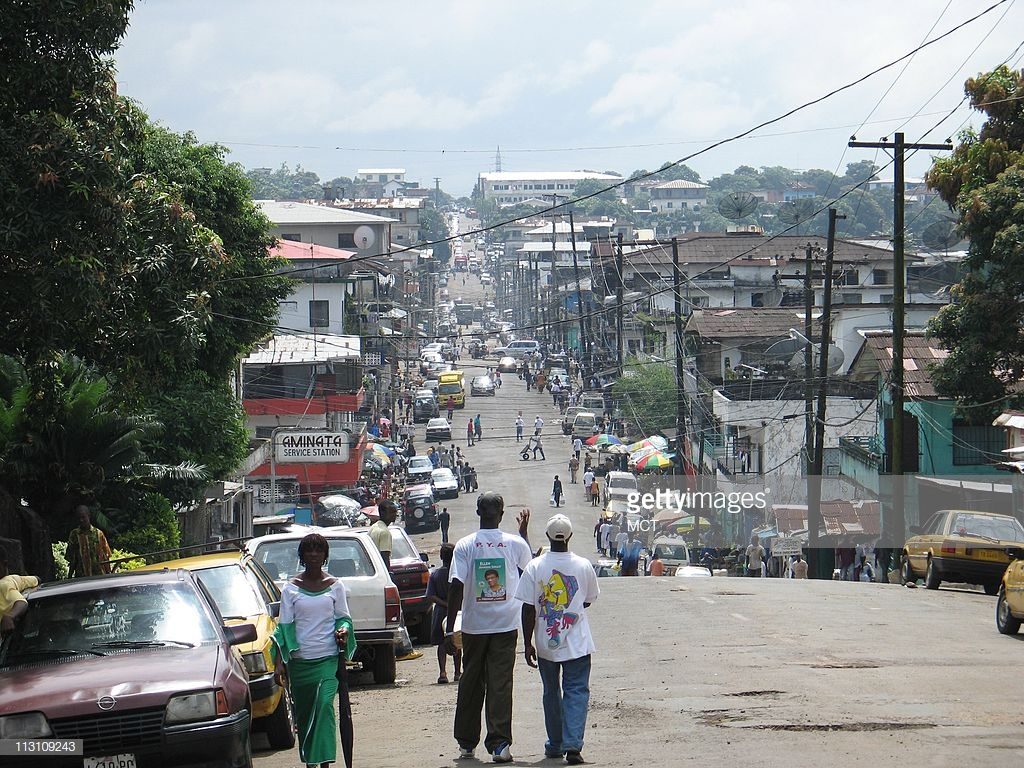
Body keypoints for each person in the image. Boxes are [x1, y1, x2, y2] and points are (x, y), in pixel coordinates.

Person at [445, 493, 532, 763]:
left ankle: (466, 742)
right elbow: (531, 577)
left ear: (477, 511)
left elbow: (456, 586)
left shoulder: (464, 545)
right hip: (506, 626)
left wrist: (449, 629)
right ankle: (499, 744)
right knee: (500, 683)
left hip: (473, 627)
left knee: (471, 682)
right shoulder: (516, 544)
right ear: (502, 513)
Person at [516, 514, 599, 766]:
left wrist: (527, 642)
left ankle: (555, 744)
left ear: (548, 536)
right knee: (576, 691)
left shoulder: (535, 566)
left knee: (551, 692)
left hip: (545, 644)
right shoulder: (583, 565)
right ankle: (573, 743)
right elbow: (588, 599)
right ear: (570, 536)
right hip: (578, 642)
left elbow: (528, 608)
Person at [272, 533, 356, 768]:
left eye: (319, 550)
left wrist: (343, 631)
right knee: (306, 716)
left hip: (327, 660)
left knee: (324, 706)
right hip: (300, 663)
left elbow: (344, 619)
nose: (314, 554)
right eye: (309, 550)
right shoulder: (290, 589)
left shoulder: (335, 586)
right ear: (302, 555)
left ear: (325, 555)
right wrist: (279, 662)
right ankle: (311, 762)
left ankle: (326, 763)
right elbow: (284, 627)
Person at [427, 543, 461, 684]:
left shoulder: (435, 574)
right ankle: (458, 672)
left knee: (441, 643)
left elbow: (431, 596)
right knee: (457, 641)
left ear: (441, 557)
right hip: (456, 612)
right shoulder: (457, 574)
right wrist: (453, 605)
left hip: (440, 612)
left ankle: (442, 672)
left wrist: (444, 604)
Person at [67, 505, 112, 578]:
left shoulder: (98, 534)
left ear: (88, 516)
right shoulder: (74, 534)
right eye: (79, 518)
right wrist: (69, 577)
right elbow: (72, 558)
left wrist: (109, 575)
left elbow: (106, 557)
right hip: (81, 577)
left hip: (99, 576)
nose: (81, 520)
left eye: (83, 517)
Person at [0, 554, 38, 635]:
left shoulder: (4, 585)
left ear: (5, 564)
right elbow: (36, 579)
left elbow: (21, 602)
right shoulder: (15, 579)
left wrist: (9, 616)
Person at [370, 499, 398, 569]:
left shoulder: (373, 527)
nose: (395, 514)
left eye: (395, 511)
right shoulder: (385, 532)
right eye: (391, 512)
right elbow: (385, 557)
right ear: (382, 513)